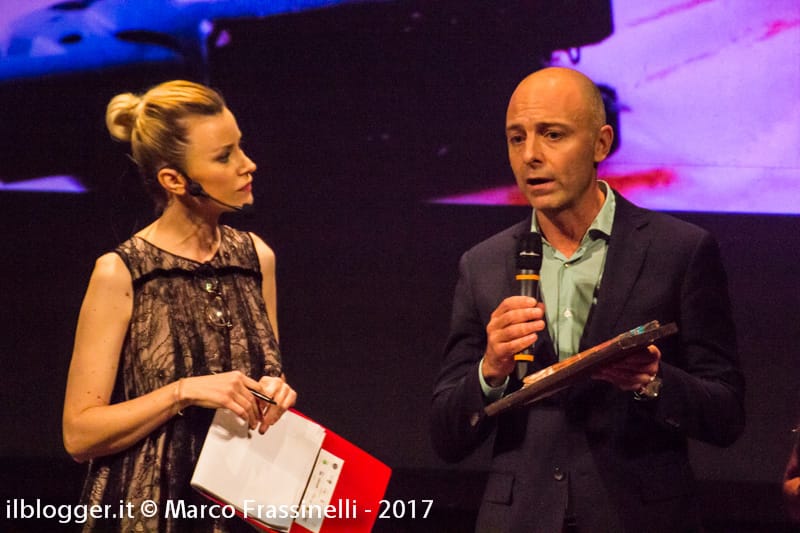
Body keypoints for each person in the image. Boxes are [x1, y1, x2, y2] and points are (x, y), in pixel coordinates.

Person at [430, 67, 745, 532]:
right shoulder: (483, 264)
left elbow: (726, 414)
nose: (530, 155)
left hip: (639, 518)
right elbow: (446, 435)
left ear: (601, 144)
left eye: (552, 135)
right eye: (516, 138)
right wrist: (490, 371)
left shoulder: (679, 250)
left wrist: (652, 381)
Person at [62, 80, 297, 532]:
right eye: (224, 156)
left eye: (239, 146)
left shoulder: (256, 258)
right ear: (174, 180)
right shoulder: (123, 272)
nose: (247, 164)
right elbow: (79, 434)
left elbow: (265, 375)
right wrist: (183, 391)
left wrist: (275, 392)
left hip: (236, 510)